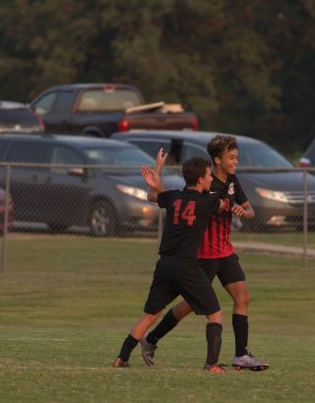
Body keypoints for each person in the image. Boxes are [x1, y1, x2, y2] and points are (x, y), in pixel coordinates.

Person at [139, 135, 269, 371]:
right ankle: (151, 339)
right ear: (217, 160)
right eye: (231, 158)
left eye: (236, 157)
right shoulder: (203, 186)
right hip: (203, 256)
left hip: (225, 252)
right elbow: (173, 201)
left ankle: (241, 355)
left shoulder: (232, 180)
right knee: (188, 306)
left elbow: (249, 210)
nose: (235, 162)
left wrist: (242, 209)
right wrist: (157, 177)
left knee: (243, 298)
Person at [113, 150, 228, 373]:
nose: (211, 178)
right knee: (214, 313)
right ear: (200, 179)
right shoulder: (208, 201)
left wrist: (156, 176)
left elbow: (152, 197)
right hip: (187, 266)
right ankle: (211, 364)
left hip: (165, 265)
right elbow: (222, 204)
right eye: (208, 175)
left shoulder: (174, 197)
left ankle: (121, 358)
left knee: (150, 315)